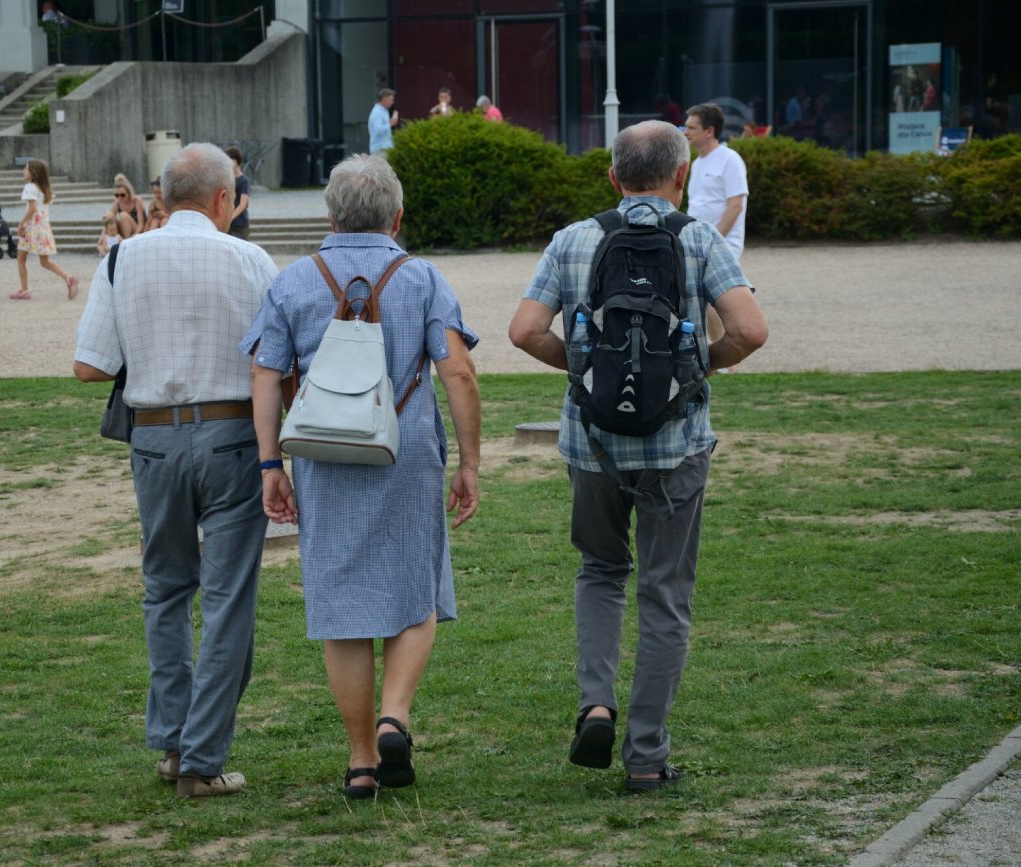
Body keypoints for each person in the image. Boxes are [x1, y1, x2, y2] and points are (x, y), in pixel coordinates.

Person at [508, 120, 767, 792]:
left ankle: (596, 701)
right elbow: (750, 329)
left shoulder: (573, 239)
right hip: (676, 442)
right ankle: (646, 754)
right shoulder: (699, 239)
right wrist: (695, 369)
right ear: (680, 176)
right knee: (664, 593)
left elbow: (524, 330)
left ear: (611, 175)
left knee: (599, 568)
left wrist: (582, 370)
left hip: (591, 443)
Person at [243, 154, 481, 799]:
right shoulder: (423, 277)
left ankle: (360, 761)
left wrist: (271, 464)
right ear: (397, 216)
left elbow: (265, 374)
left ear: (329, 215)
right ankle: (394, 717)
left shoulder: (294, 281)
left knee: (341, 605)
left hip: (321, 454)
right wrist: (469, 462)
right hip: (405, 451)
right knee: (418, 586)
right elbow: (456, 373)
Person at [73, 142, 279, 799]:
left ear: (159, 199)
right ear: (224, 198)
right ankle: (203, 755)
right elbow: (279, 364)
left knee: (164, 589)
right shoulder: (250, 258)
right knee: (226, 599)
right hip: (233, 436)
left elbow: (90, 366)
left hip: (154, 440)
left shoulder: (122, 257)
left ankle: (171, 742)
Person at [684, 102, 750, 369]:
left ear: (709, 130)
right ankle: (720, 360)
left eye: (691, 127)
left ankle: (726, 361)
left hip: (722, 243)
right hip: (697, 242)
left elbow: (736, 204)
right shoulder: (698, 163)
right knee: (701, 299)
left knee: (712, 297)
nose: (685, 132)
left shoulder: (730, 159)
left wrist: (717, 240)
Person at [12, 158, 77, 301]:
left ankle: (24, 290)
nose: (24, 171)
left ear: (33, 172)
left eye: (26, 168)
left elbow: (32, 208)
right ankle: (68, 277)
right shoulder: (44, 190)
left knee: (21, 258)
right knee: (44, 261)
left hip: (31, 227)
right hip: (42, 227)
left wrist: (21, 223)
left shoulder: (30, 187)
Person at [105, 173, 145, 238]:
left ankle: (127, 241)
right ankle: (109, 239)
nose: (119, 198)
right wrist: (102, 237)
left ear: (129, 192)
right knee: (109, 214)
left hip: (137, 231)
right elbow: (108, 220)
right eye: (117, 195)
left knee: (123, 215)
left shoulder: (137, 201)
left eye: (122, 195)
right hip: (123, 230)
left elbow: (141, 224)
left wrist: (134, 236)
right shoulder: (117, 202)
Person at [225, 146, 250, 241]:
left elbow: (242, 205)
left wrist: (230, 217)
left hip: (239, 225)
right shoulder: (227, 179)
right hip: (227, 224)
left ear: (234, 162)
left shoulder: (244, 181)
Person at [368, 88, 397, 156]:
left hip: (385, 148)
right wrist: (390, 123)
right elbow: (378, 130)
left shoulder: (384, 111)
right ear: (384, 99)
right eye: (391, 99)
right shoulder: (377, 112)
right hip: (379, 150)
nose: (392, 102)